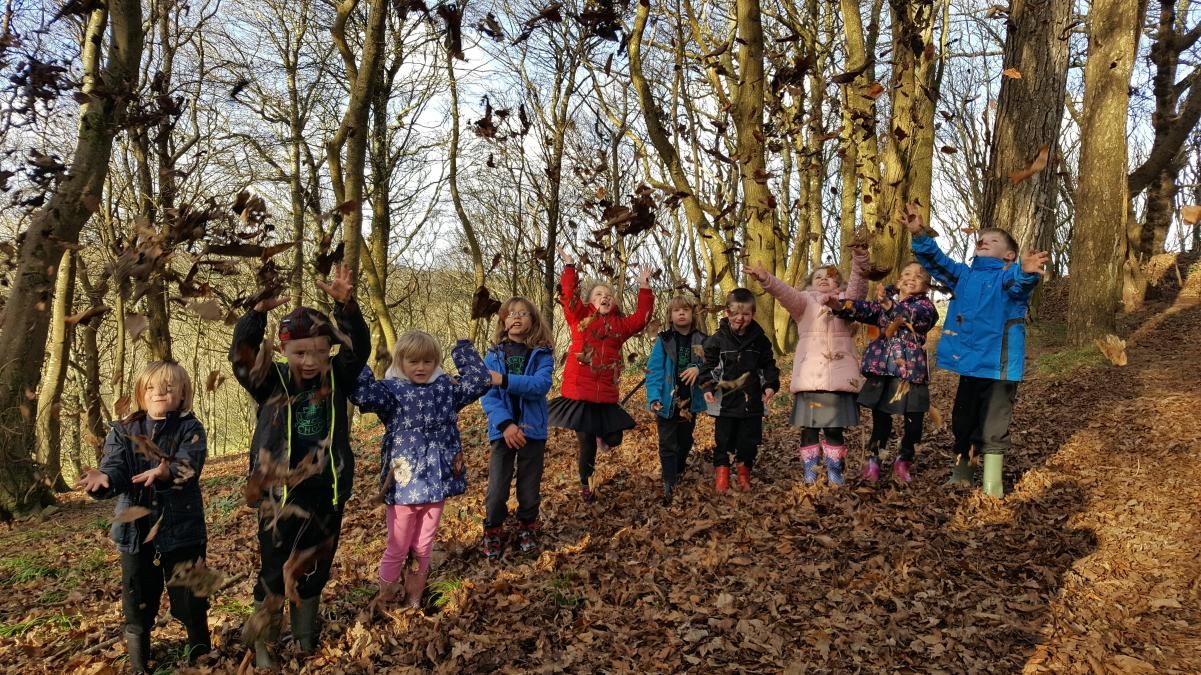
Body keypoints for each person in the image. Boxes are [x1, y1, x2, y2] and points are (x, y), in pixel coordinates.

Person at [228, 264, 370, 668]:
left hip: (325, 491)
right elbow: (241, 359)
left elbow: (358, 348)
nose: (310, 361)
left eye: (320, 352)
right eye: (300, 353)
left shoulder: (338, 377)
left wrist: (348, 308)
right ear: (283, 350)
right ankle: (263, 644)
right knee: (273, 570)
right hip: (279, 495)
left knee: (315, 566)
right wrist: (254, 316)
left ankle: (306, 635)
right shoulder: (270, 381)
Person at [903, 204, 1048, 497]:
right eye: (982, 238)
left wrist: (1027, 272)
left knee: (994, 424)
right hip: (970, 365)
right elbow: (937, 261)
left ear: (1009, 255)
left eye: (994, 241)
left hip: (1000, 366)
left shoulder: (1007, 275)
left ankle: (992, 484)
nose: (985, 241)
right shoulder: (963, 276)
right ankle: (962, 472)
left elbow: (1019, 285)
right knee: (963, 419)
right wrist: (918, 233)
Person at [76, 361, 210, 673]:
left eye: (168, 388)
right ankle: (139, 664)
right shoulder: (123, 430)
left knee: (191, 599)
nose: (159, 393)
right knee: (137, 601)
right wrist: (104, 479)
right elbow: (116, 467)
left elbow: (190, 466)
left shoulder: (191, 428)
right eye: (151, 387)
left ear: (182, 394)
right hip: (135, 533)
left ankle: (202, 655)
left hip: (183, 530)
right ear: (140, 392)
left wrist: (167, 471)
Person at [350, 331, 490, 604]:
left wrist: (462, 347)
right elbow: (361, 393)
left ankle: (414, 597)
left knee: (423, 545)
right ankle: (387, 598)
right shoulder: (391, 391)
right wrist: (354, 354)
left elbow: (480, 380)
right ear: (400, 362)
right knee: (398, 546)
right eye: (413, 361)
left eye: (427, 361)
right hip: (404, 485)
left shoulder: (444, 389)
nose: (421, 367)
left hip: (436, 484)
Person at [749, 247, 869, 486]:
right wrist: (766, 279)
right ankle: (810, 472)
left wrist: (860, 258)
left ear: (838, 282)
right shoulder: (803, 303)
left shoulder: (846, 302)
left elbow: (859, 286)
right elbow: (785, 293)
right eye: (818, 276)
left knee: (835, 430)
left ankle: (835, 471)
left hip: (839, 379)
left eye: (830, 276)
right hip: (810, 378)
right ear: (810, 284)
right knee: (808, 430)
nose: (824, 279)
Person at [547, 246, 654, 503]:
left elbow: (641, 318)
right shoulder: (580, 317)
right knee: (586, 446)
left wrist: (644, 287)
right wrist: (570, 267)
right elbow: (569, 296)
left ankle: (601, 437)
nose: (604, 297)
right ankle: (586, 485)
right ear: (590, 300)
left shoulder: (619, 325)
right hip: (580, 393)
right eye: (598, 294)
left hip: (605, 394)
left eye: (608, 295)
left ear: (614, 302)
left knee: (615, 437)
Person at [832, 262, 939, 483]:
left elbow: (911, 318)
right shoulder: (882, 303)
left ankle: (904, 459)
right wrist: (840, 304)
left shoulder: (926, 307)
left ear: (926, 286)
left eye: (918, 276)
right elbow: (863, 309)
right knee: (881, 421)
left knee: (914, 422)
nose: (911, 277)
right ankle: (874, 461)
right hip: (883, 370)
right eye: (906, 273)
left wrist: (890, 305)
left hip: (911, 374)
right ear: (898, 281)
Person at [478, 298, 555, 560]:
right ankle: (493, 530)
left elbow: (539, 385)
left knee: (529, 487)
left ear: (533, 320)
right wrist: (506, 424)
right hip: (502, 432)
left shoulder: (542, 354)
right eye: (511, 314)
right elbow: (488, 394)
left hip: (533, 429)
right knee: (498, 488)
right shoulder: (494, 355)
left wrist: (505, 380)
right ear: (503, 321)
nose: (517, 318)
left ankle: (527, 528)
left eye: (523, 313)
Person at [698, 288, 780, 493]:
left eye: (745, 314)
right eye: (735, 314)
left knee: (748, 442)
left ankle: (744, 474)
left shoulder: (760, 340)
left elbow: (768, 365)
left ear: (752, 314)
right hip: (725, 401)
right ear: (727, 313)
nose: (740, 318)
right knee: (723, 440)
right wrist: (707, 386)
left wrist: (770, 384)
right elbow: (708, 367)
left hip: (751, 402)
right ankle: (722, 475)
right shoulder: (717, 340)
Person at [646, 296, 708, 505]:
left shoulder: (701, 339)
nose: (681, 313)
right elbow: (654, 371)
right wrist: (653, 397)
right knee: (667, 442)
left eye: (686, 310)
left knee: (685, 440)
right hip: (666, 402)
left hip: (690, 402)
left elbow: (711, 365)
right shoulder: (664, 340)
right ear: (670, 316)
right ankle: (669, 480)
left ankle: (679, 467)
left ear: (692, 315)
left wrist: (698, 369)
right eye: (676, 310)